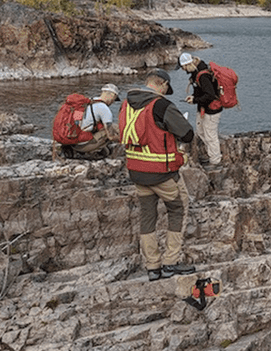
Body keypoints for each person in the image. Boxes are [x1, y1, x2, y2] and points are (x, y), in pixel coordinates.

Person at [119, 69, 197, 282]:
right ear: (161, 84)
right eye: (165, 88)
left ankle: (152, 267)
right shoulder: (161, 105)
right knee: (178, 209)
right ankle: (170, 263)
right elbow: (187, 134)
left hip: (136, 170)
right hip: (161, 173)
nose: (165, 92)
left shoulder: (126, 104)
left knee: (147, 216)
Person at [179, 52, 223, 168]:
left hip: (212, 109)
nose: (183, 70)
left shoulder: (202, 76)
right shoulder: (197, 72)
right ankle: (212, 155)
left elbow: (210, 95)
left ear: (187, 65)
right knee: (201, 131)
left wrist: (195, 100)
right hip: (204, 108)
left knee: (210, 135)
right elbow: (201, 91)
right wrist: (194, 97)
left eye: (183, 67)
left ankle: (216, 161)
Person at [65, 84, 120, 159]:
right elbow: (110, 136)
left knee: (107, 126)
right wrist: (123, 139)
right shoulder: (104, 109)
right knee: (111, 129)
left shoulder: (89, 101)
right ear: (112, 95)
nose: (113, 102)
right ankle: (90, 151)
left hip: (71, 141)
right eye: (114, 99)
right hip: (81, 146)